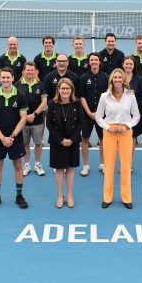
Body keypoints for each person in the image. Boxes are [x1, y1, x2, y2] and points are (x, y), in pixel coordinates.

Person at [96, 69, 141, 209]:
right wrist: (108, 127)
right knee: (108, 166)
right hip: (109, 132)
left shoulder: (130, 96)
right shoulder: (104, 96)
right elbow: (98, 116)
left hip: (125, 133)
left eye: (119, 77)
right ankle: (107, 198)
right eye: (114, 77)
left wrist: (127, 126)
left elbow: (137, 115)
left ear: (123, 79)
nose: (117, 80)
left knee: (126, 166)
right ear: (111, 80)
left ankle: (126, 197)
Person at [0, 68, 29, 209]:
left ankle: (19, 196)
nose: (5, 80)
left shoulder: (20, 95)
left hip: (15, 139)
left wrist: (11, 137)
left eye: (7, 77)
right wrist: (2, 137)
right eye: (2, 78)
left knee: (18, 166)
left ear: (12, 78)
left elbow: (23, 119)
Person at [46, 78, 84, 208]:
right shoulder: (52, 104)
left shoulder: (77, 103)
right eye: (62, 88)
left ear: (71, 90)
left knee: (70, 168)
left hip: (72, 142)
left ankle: (69, 195)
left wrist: (72, 139)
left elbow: (80, 122)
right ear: (58, 90)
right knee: (59, 169)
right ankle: (59, 195)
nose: (65, 91)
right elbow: (49, 124)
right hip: (57, 142)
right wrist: (61, 140)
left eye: (67, 88)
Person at [79, 52, 108, 176]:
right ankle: (85, 166)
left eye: (96, 60)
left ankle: (103, 164)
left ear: (99, 62)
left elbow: (108, 96)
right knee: (85, 139)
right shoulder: (84, 78)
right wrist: (89, 112)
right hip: (87, 115)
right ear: (89, 62)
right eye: (92, 60)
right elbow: (82, 97)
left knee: (103, 139)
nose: (94, 62)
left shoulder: (106, 77)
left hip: (102, 115)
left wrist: (99, 113)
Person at [17, 62, 48, 177]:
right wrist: (25, 117)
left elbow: (44, 102)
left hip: (38, 120)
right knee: (25, 143)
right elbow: (16, 103)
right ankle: (27, 164)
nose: (30, 72)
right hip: (23, 121)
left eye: (32, 70)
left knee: (38, 143)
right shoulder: (17, 85)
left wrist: (34, 114)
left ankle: (37, 164)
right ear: (24, 71)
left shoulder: (41, 85)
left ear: (35, 71)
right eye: (28, 70)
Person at [122, 56, 142, 148]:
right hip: (120, 115)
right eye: (126, 63)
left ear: (134, 66)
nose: (128, 66)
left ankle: (129, 162)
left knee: (132, 138)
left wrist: (133, 109)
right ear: (123, 65)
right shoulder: (118, 78)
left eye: (131, 64)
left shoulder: (139, 79)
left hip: (133, 114)